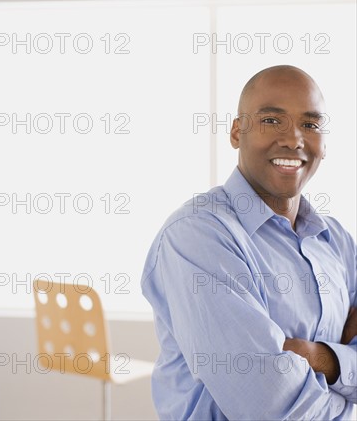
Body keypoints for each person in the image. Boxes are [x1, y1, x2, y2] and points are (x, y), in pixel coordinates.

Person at [141, 65, 356, 420]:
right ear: (237, 132)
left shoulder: (338, 242)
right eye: (272, 120)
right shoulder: (198, 235)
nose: (293, 139)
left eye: (310, 124)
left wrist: (323, 359)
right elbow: (268, 405)